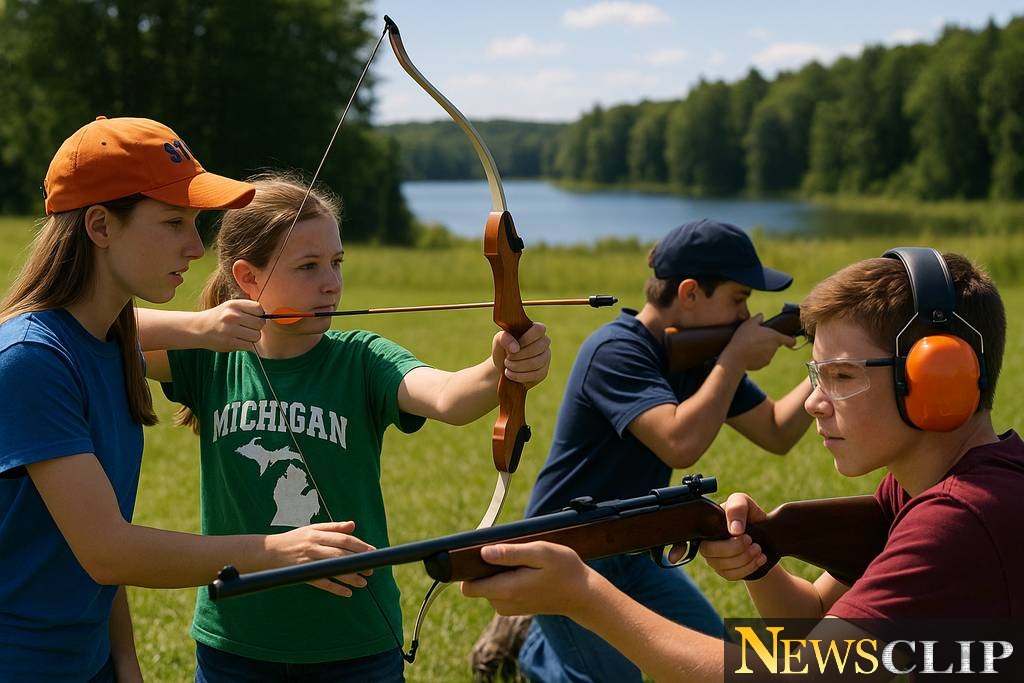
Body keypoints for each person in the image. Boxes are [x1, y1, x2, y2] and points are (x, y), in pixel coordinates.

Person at [462, 249, 1023, 682]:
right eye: (816, 375)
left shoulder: (961, 518)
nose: (812, 402)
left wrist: (584, 595)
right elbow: (806, 626)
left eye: (842, 377)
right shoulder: (921, 489)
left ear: (936, 380)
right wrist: (759, 564)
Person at [0, 117, 377, 683]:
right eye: (173, 222)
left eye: (196, 223)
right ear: (100, 225)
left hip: (85, 662)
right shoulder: (33, 360)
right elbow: (107, 549)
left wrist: (122, 662)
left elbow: (91, 547)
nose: (196, 247)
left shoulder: (108, 345)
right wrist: (277, 551)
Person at [135, 172, 552, 681]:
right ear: (248, 278)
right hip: (237, 638)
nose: (331, 282)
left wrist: (502, 366)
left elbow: (449, 397)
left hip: (353, 642)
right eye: (308, 267)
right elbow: (94, 328)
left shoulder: (362, 359)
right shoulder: (209, 358)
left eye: (336, 263)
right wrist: (197, 328)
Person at [493, 218, 812, 682]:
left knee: (720, 665)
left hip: (637, 552)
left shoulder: (704, 361)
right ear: (688, 293)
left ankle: (542, 646)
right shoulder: (615, 350)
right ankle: (541, 655)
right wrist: (734, 358)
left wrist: (828, 363)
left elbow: (777, 432)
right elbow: (679, 442)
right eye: (739, 299)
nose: (746, 317)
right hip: (571, 554)